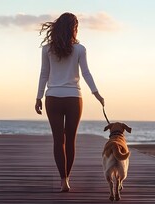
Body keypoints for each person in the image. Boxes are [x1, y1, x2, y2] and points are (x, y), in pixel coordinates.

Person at [35, 12, 105, 192]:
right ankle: (68, 177)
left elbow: (44, 74)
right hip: (74, 98)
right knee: (70, 140)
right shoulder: (80, 49)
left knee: (58, 141)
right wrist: (96, 93)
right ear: (73, 28)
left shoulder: (47, 49)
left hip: (53, 98)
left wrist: (38, 97)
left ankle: (63, 180)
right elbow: (86, 73)